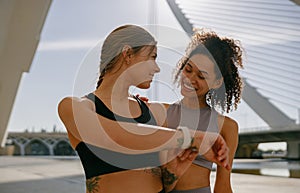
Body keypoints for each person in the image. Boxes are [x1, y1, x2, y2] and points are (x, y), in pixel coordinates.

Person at [58, 24, 230, 193]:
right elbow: (114, 136)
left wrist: (172, 173)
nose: (157, 68)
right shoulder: (74, 107)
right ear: (128, 54)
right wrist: (190, 138)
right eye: (152, 57)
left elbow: (165, 183)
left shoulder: (154, 112)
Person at [163, 29, 244, 193]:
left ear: (216, 82)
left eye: (201, 76)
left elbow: (223, 185)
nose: (190, 79)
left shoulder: (227, 126)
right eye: (188, 69)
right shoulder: (161, 113)